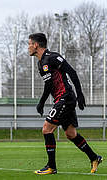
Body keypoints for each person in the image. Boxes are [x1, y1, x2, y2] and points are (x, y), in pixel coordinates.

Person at [28, 33, 102, 175]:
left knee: (46, 129)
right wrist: (42, 102)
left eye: (29, 44)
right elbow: (49, 85)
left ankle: (51, 166)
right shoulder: (41, 63)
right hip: (62, 99)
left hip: (65, 98)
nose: (28, 47)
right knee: (70, 134)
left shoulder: (53, 57)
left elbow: (72, 72)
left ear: (36, 45)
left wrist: (80, 94)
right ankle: (94, 157)